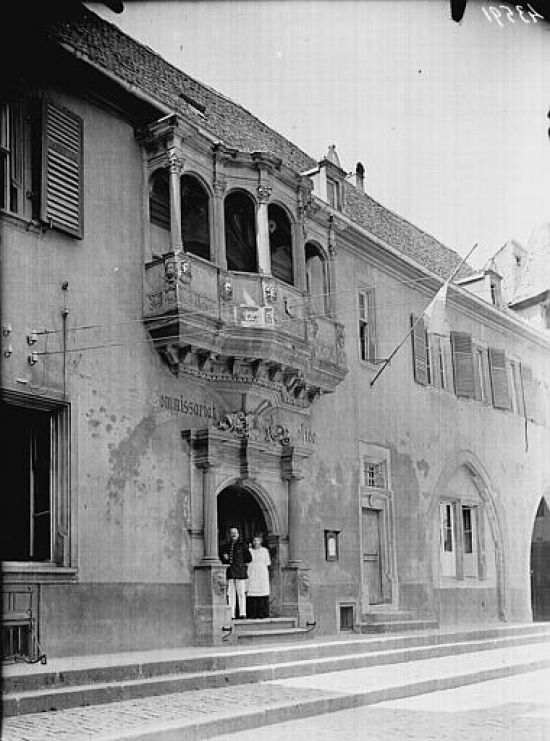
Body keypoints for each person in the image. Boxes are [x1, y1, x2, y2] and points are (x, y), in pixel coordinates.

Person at [219, 526, 251, 619]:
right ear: (229, 535)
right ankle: (231, 614)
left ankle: (242, 613)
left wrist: (241, 564)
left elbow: (249, 558)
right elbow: (224, 560)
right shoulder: (226, 546)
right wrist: (225, 558)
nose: (233, 534)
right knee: (231, 594)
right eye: (232, 533)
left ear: (238, 534)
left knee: (241, 593)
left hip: (240, 572)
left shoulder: (243, 545)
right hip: (230, 572)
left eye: (235, 533)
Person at [246, 534, 271, 619]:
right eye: (254, 540)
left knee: (262, 592)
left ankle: (262, 613)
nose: (256, 542)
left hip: (261, 572)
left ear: (261, 541)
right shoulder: (249, 551)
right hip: (252, 572)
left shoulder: (264, 551)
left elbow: (267, 563)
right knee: (252, 592)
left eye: (258, 540)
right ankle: (253, 613)